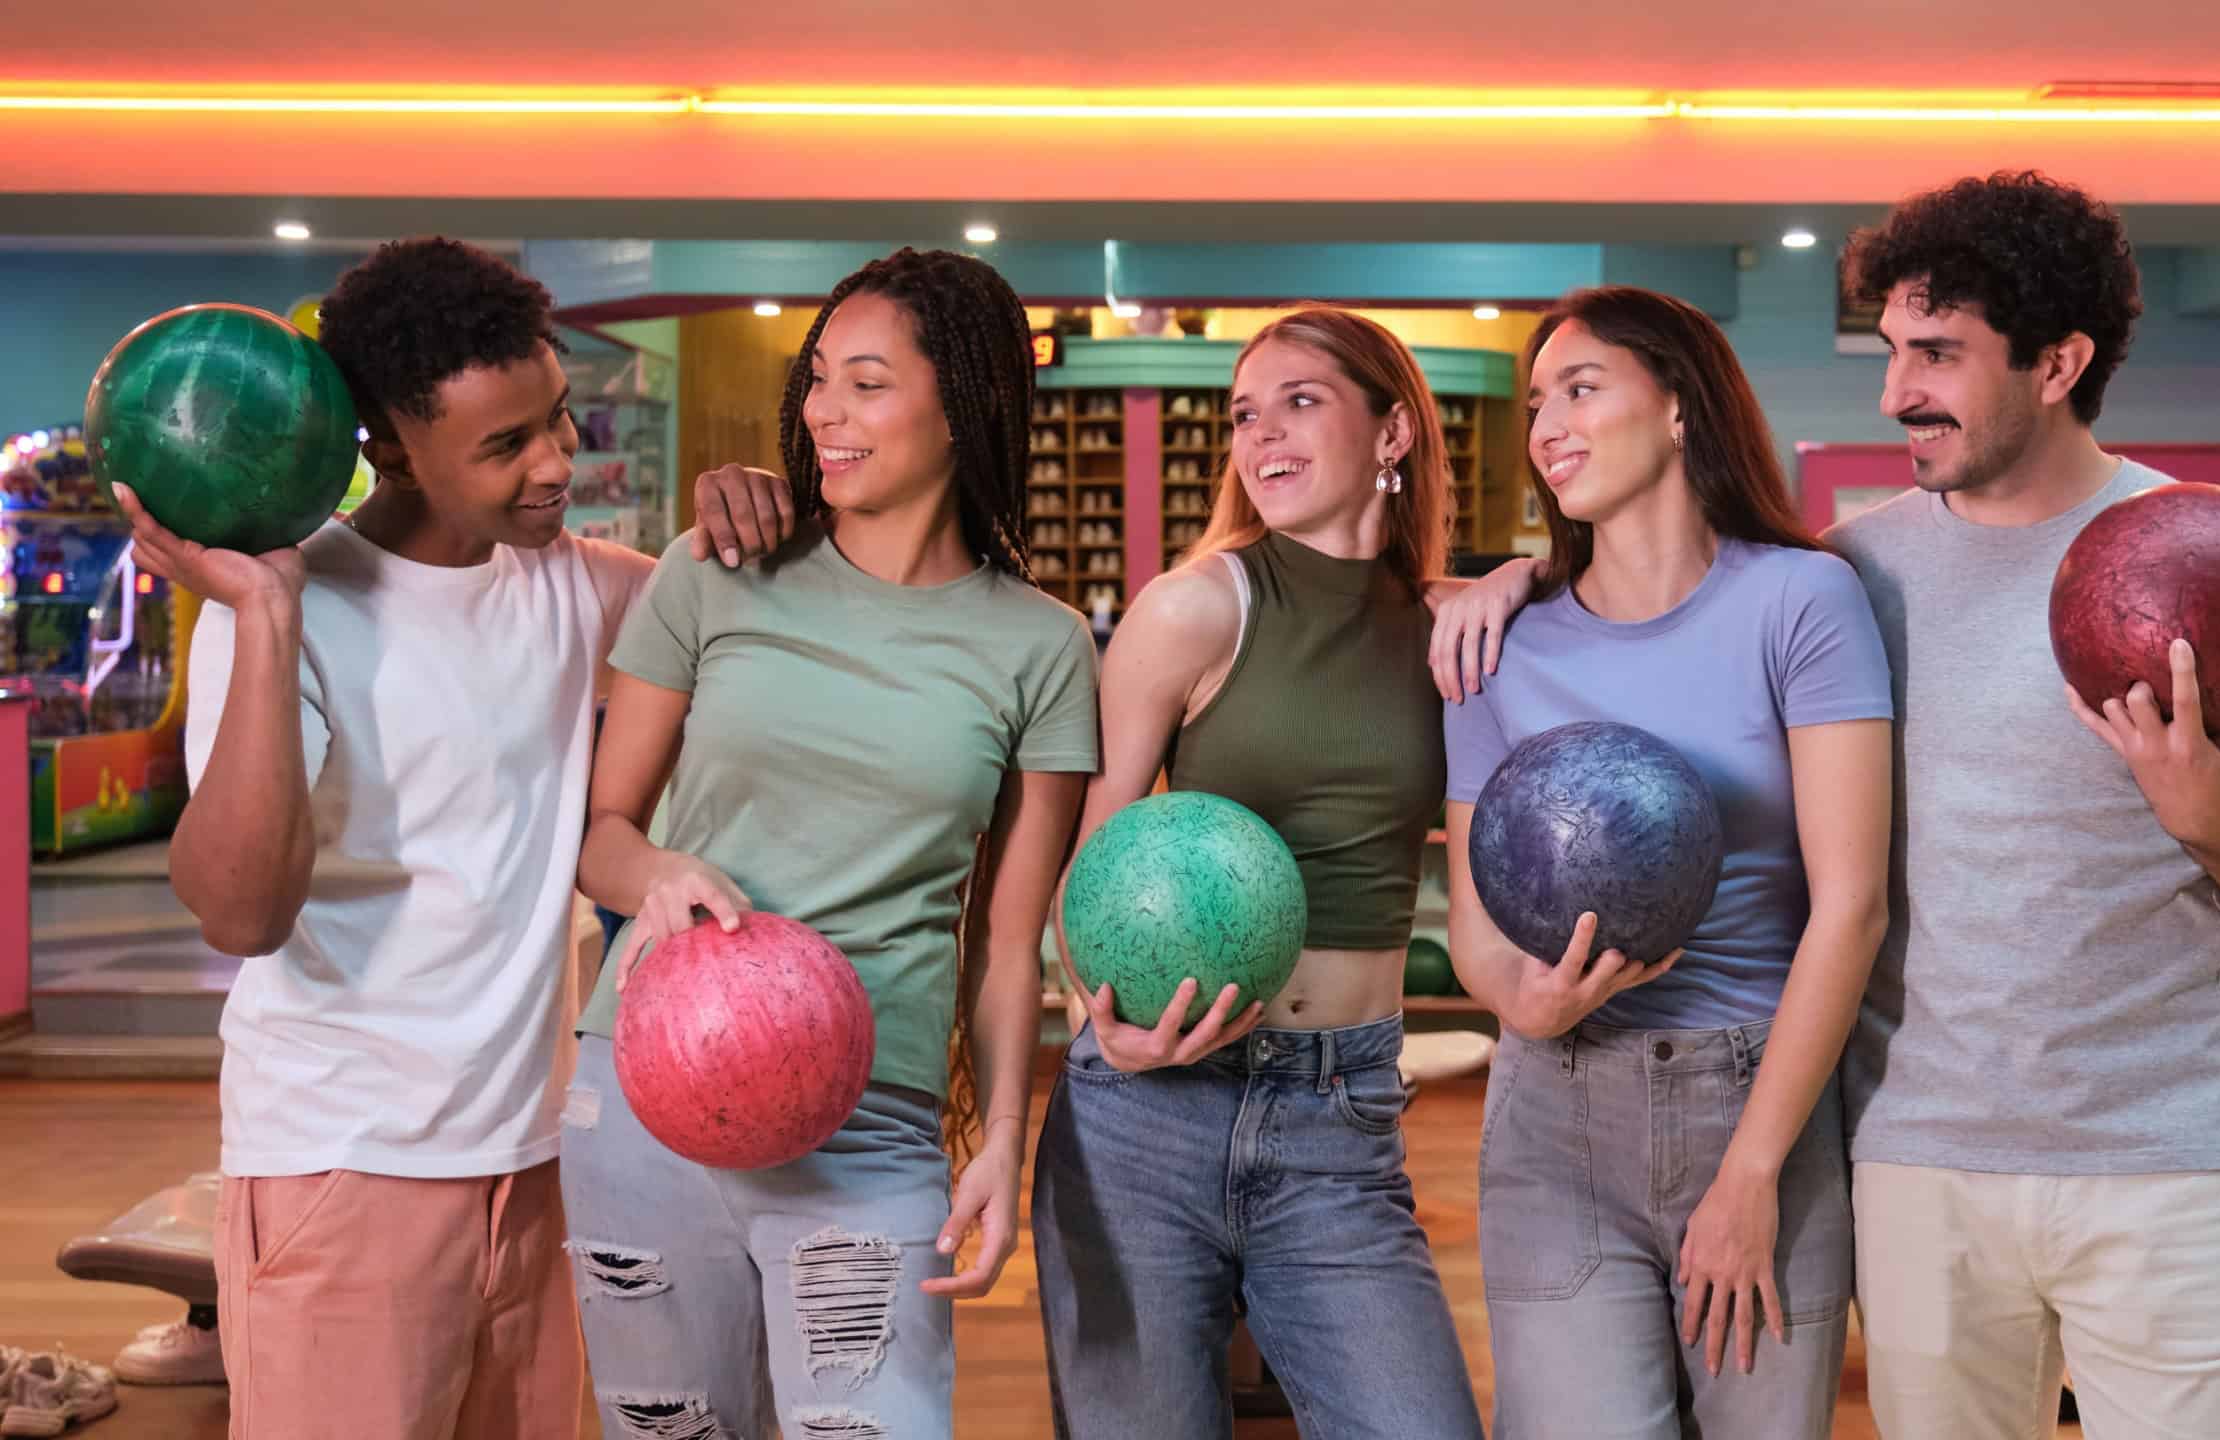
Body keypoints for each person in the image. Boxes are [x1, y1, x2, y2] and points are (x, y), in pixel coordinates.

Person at [123, 237, 785, 1440]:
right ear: (385, 444)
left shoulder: (574, 586)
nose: (555, 465)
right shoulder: (285, 610)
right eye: (504, 446)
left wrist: (732, 502)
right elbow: (239, 914)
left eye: (559, 419)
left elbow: (730, 607)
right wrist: (267, 617)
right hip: (344, 1166)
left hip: (536, 1164)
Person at [1825, 171, 2220, 1439]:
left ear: (2057, 362)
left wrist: (2213, 825)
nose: (1897, 391)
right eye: (1893, 349)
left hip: (2164, 1154)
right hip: (1918, 1150)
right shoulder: (1850, 576)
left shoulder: (2214, 558)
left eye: (1938, 354)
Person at [565, 248, 1095, 1440]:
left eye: (865, 383)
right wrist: (658, 872)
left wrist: (1000, 1141)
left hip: (871, 1116)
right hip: (648, 1089)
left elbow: (1009, 944)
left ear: (963, 406)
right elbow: (600, 835)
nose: (823, 412)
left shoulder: (1043, 648)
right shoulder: (717, 571)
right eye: (816, 380)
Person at [1031, 307, 1533, 1440]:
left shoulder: (1453, 628)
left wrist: (1527, 571)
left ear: (1393, 430)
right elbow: (1093, 856)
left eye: (1300, 402)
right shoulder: (1196, 606)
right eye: (1244, 416)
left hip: (1338, 1113)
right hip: (1149, 1109)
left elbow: (1600, 590)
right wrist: (1095, 1018)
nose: (1263, 436)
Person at [1434, 287, 1890, 1438]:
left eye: (1580, 389)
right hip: (1553, 1110)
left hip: (1755, 1098)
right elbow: (1472, 922)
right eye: (1536, 402)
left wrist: (1751, 1175)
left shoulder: (1801, 600)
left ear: (1680, 406)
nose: (1545, 426)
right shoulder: (1499, 644)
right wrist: (1516, 999)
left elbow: (1851, 909)